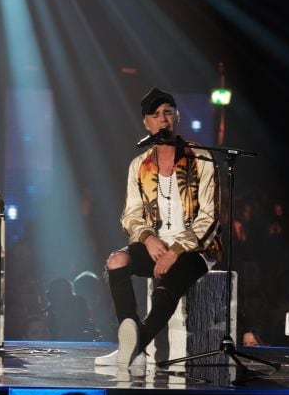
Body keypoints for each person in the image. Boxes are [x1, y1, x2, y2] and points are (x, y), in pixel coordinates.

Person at [95, 88, 221, 368]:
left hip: (195, 249)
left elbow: (209, 217)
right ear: (146, 124)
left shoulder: (201, 159)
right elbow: (131, 215)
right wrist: (148, 239)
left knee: (169, 279)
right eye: (156, 115)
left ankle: (134, 346)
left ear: (177, 117)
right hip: (157, 243)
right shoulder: (139, 165)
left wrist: (174, 251)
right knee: (116, 261)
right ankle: (133, 348)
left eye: (168, 113)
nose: (163, 120)